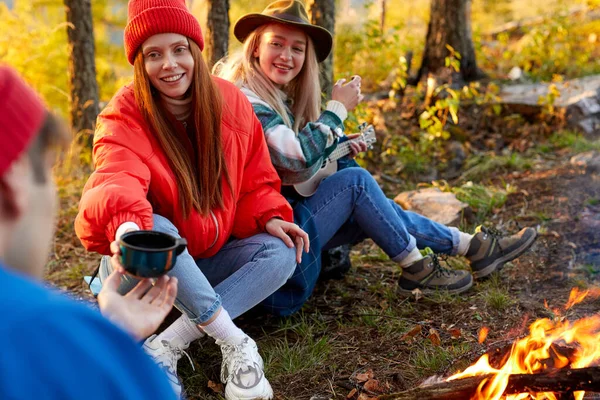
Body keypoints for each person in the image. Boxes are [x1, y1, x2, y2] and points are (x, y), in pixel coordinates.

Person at [216, 0, 538, 316]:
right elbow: (296, 160)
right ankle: (416, 267)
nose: (287, 56)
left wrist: (334, 148)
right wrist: (337, 110)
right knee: (356, 183)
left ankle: (471, 246)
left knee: (371, 204)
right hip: (261, 241)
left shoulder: (275, 98)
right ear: (256, 47)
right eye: (277, 44)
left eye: (297, 49)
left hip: (283, 226)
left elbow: (287, 171)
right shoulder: (246, 98)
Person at [74, 1, 309, 399]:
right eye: (154, 54)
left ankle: (167, 345)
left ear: (195, 50)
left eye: (178, 49)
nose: (169, 64)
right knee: (154, 227)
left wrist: (269, 215)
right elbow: (117, 174)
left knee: (282, 251)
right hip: (146, 273)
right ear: (140, 62)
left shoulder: (231, 101)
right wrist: (130, 232)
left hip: (204, 264)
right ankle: (234, 341)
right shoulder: (124, 113)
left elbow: (256, 178)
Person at [0, 65, 179, 399]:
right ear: (15, 185)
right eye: (51, 172)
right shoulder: (61, 338)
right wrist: (107, 347)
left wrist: (114, 332)